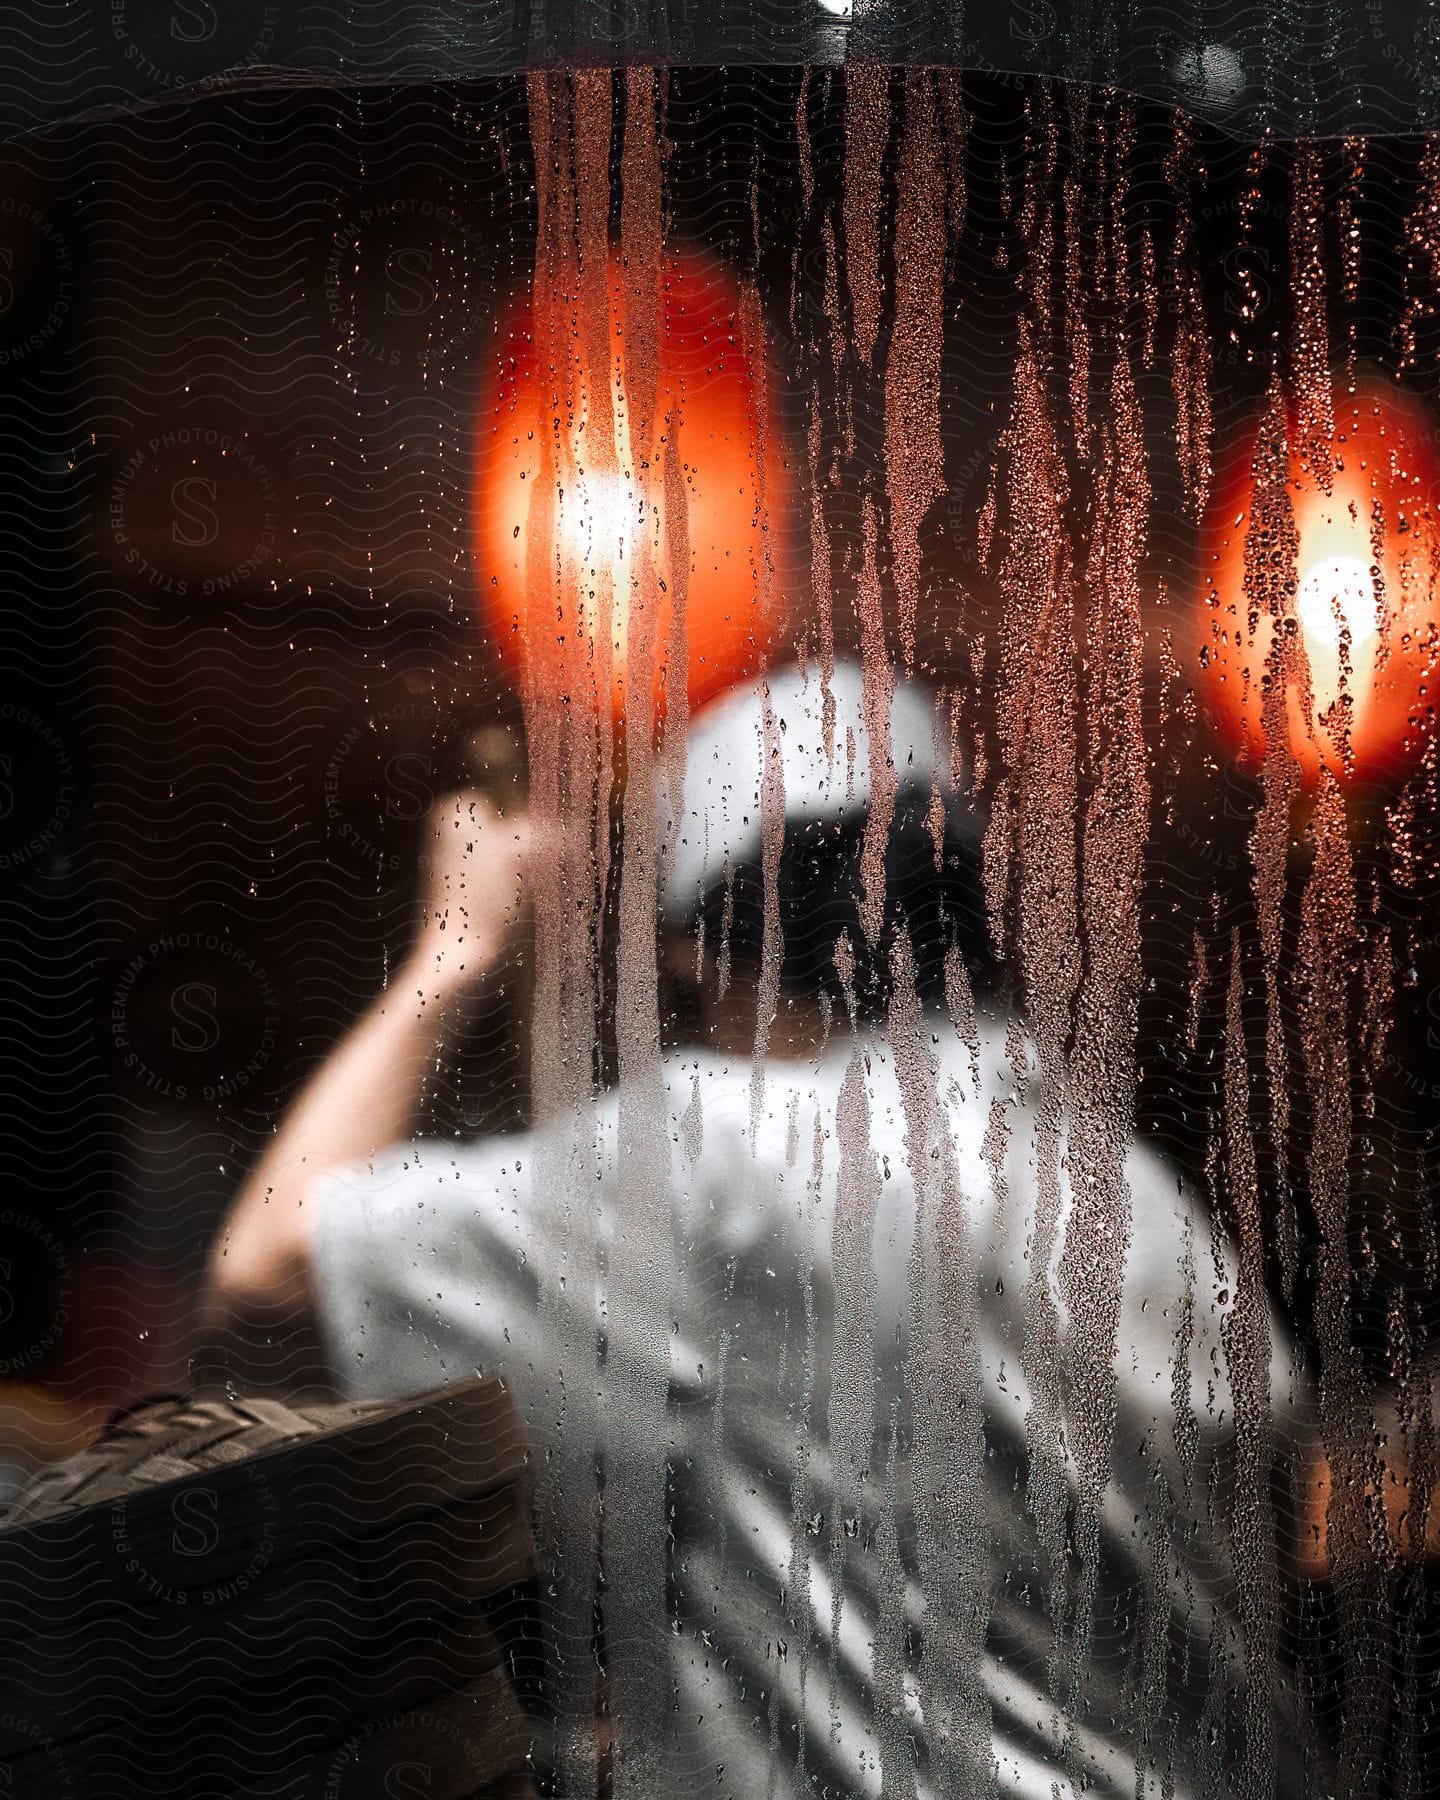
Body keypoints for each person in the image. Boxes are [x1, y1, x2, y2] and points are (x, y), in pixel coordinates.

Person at [207, 662, 1337, 1799]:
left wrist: (456, 955)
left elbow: (270, 1260)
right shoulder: (1129, 1190)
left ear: (710, 955)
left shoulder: (738, 1154)